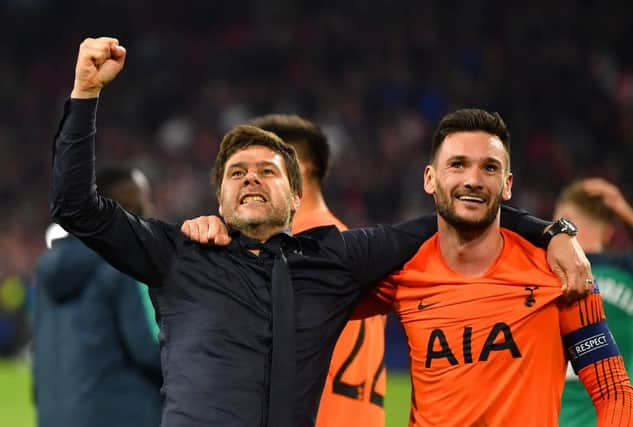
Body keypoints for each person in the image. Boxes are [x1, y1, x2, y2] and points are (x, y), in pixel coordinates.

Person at [53, 37, 591, 427]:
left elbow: (459, 210)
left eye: (268, 171)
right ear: (219, 197)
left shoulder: (332, 259)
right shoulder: (178, 253)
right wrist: (84, 93)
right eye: (237, 173)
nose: (251, 180)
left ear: (296, 195)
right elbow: (77, 207)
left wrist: (553, 231)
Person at [355, 109, 633, 426]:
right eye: (458, 164)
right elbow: (318, 309)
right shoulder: (403, 273)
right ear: (430, 179)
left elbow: (614, 392)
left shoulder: (560, 273)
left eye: (489, 167)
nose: (473, 180)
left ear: (507, 184)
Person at [251, 115, 388, 427]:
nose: (249, 180)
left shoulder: (293, 253)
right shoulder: (355, 251)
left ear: (298, 167)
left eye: (263, 168)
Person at [33, 166, 162, 427]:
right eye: (137, 205)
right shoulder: (124, 262)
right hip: (121, 415)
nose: (147, 212)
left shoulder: (47, 270)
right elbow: (148, 350)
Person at [554, 178, 633, 427]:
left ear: (561, 220)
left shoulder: (537, 275)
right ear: (610, 232)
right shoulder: (627, 273)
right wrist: (625, 211)